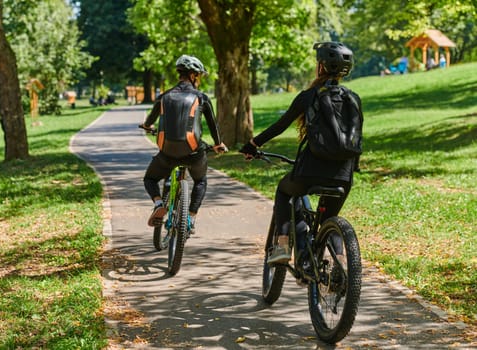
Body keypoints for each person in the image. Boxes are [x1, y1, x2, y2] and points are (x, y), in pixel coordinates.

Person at [239, 42, 363, 264]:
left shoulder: (309, 96)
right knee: (330, 220)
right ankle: (342, 264)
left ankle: (283, 247)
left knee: (285, 192)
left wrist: (252, 145)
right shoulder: (353, 98)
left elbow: (280, 125)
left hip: (310, 171)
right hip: (344, 175)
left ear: (320, 66)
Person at [140, 55, 227, 232]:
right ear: (194, 75)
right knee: (200, 181)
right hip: (194, 153)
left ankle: (158, 203)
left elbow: (150, 121)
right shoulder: (201, 97)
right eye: (199, 75)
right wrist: (218, 144)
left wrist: (147, 126)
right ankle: (191, 218)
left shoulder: (164, 97)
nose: (200, 79)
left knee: (149, 179)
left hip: (167, 154)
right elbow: (213, 125)